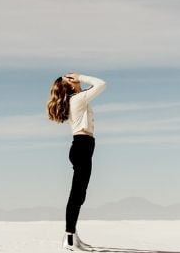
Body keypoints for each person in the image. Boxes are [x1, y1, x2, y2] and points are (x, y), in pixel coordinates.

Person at [46, 72, 107, 251]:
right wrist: (81, 76)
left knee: (79, 194)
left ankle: (73, 235)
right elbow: (101, 83)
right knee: (77, 195)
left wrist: (78, 83)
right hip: (82, 146)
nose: (74, 78)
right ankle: (69, 238)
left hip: (83, 147)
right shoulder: (77, 99)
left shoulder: (77, 99)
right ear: (70, 85)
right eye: (70, 79)